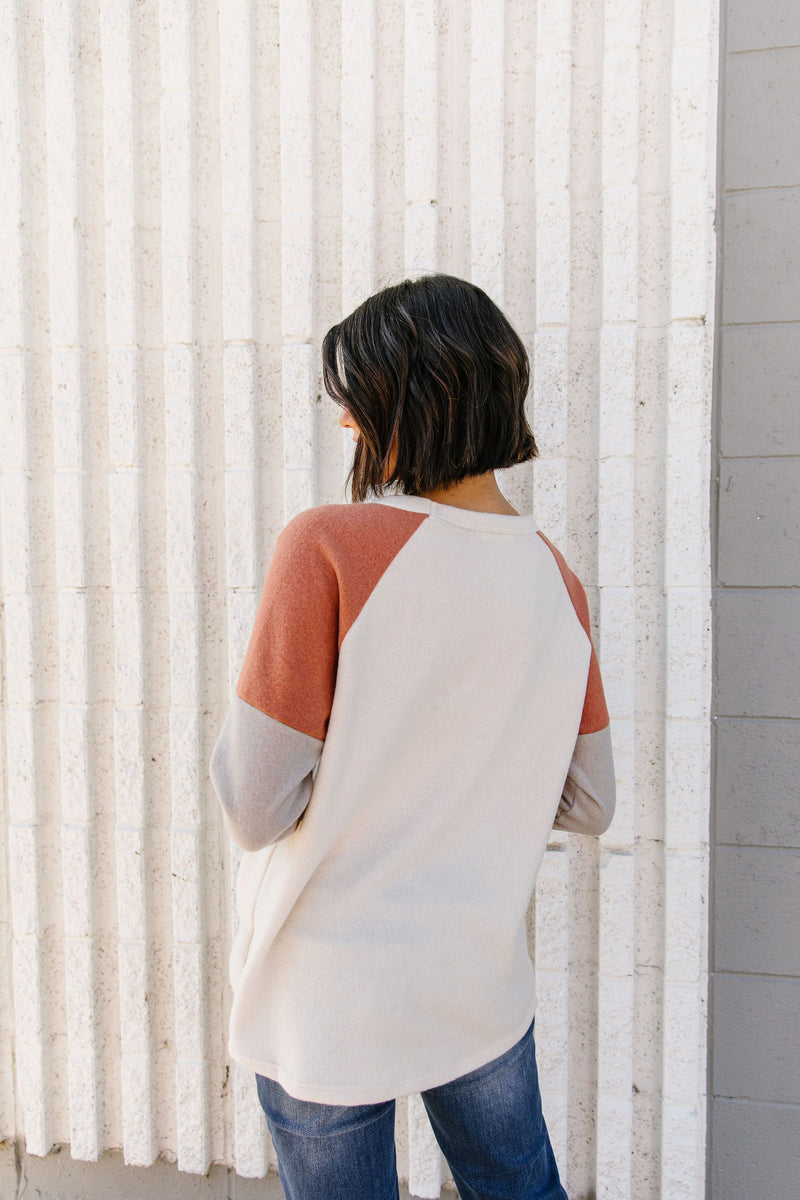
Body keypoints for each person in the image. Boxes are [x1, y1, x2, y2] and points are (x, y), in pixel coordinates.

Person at [209, 273, 616, 1200]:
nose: (346, 425)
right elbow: (592, 801)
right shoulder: (557, 581)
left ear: (415, 397)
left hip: (328, 992)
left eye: (356, 400)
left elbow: (253, 804)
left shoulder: (327, 546)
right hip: (475, 977)